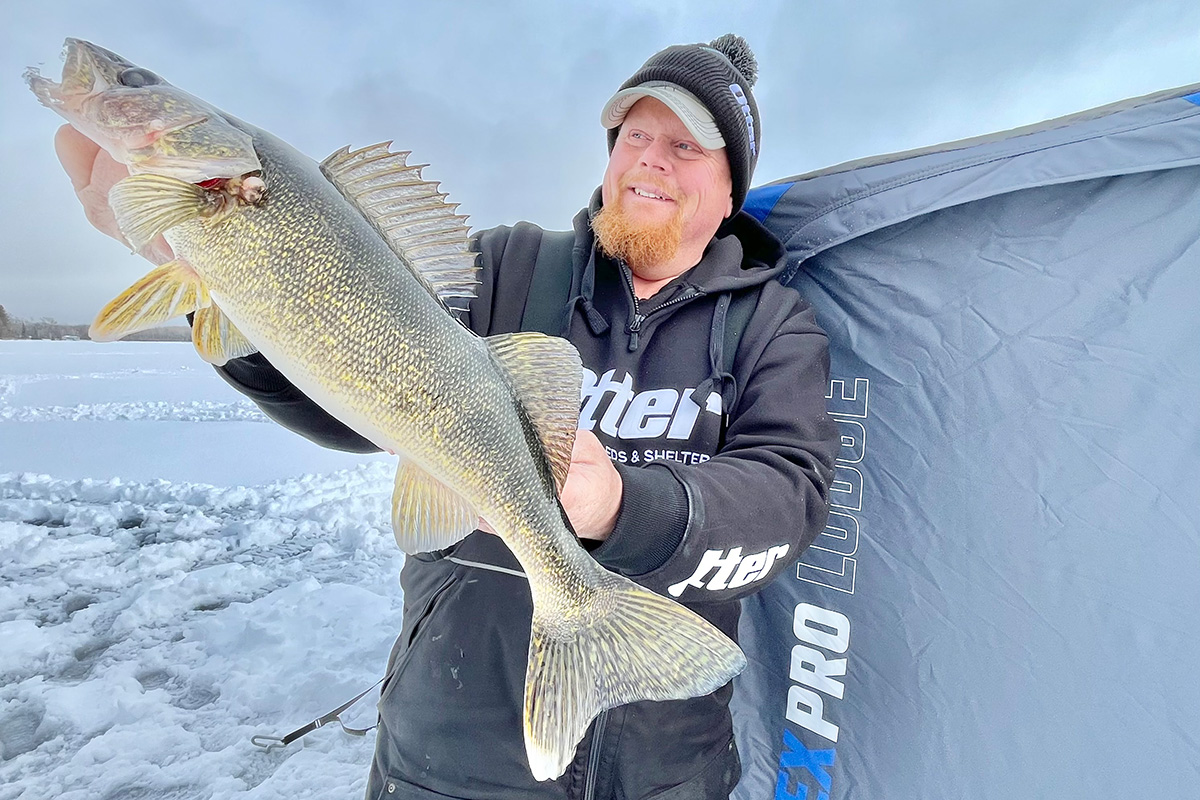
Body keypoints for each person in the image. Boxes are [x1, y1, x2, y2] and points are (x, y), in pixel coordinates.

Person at [54, 33, 840, 800]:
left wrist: (619, 507)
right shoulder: (504, 267)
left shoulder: (773, 327)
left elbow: (787, 499)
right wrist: (234, 297)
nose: (650, 158)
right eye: (635, 133)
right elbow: (357, 412)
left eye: (686, 145)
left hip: (666, 774)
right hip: (445, 760)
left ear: (730, 185)